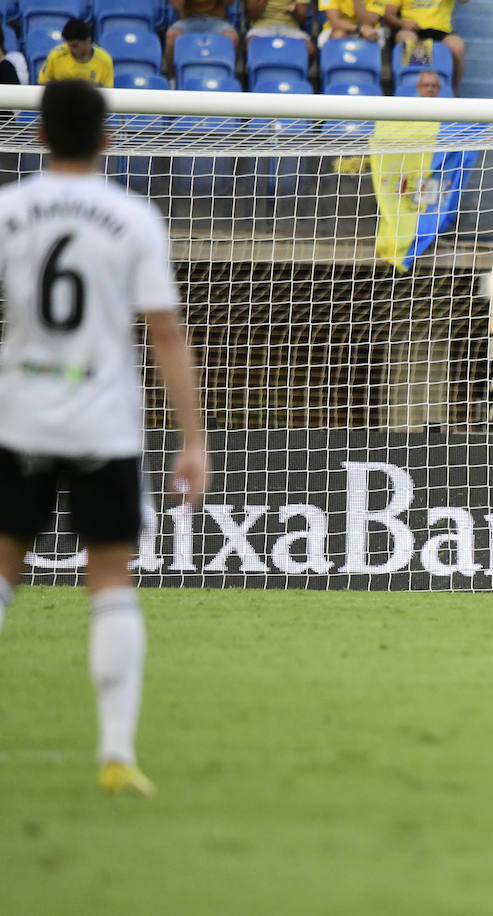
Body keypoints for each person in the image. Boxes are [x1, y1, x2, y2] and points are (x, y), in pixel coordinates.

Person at [0, 80, 208, 798]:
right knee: (111, 581)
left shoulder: (9, 211)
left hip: (19, 414)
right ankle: (117, 754)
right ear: (109, 138)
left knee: (2, 572)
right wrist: (193, 438)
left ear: (36, 135)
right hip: (104, 423)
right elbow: (166, 333)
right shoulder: (133, 219)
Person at [387, 0, 468, 96]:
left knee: (457, 46)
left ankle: (453, 93)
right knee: (407, 40)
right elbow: (389, 15)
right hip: (413, 30)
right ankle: (412, 92)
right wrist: (402, 23)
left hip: (442, 31)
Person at [164, 0, 240, 80]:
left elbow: (230, 2)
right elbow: (177, 6)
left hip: (217, 20)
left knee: (231, 38)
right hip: (187, 21)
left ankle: (228, 79)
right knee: (172, 36)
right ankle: (173, 80)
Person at [37, 19, 113, 88]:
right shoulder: (56, 55)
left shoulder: (104, 60)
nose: (70, 49)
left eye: (75, 46)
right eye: (68, 45)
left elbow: (108, 92)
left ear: (88, 40)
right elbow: (42, 84)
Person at [245, 0, 316, 60]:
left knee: (309, 50)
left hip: (291, 28)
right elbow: (252, 15)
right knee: (252, 47)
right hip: (261, 27)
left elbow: (302, 19)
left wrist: (295, 10)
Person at [320, 0, 389, 46]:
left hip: (370, 29)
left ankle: (365, 66)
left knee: (371, 35)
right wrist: (360, 28)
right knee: (338, 34)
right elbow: (335, 22)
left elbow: (369, 22)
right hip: (335, 29)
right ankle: (338, 67)